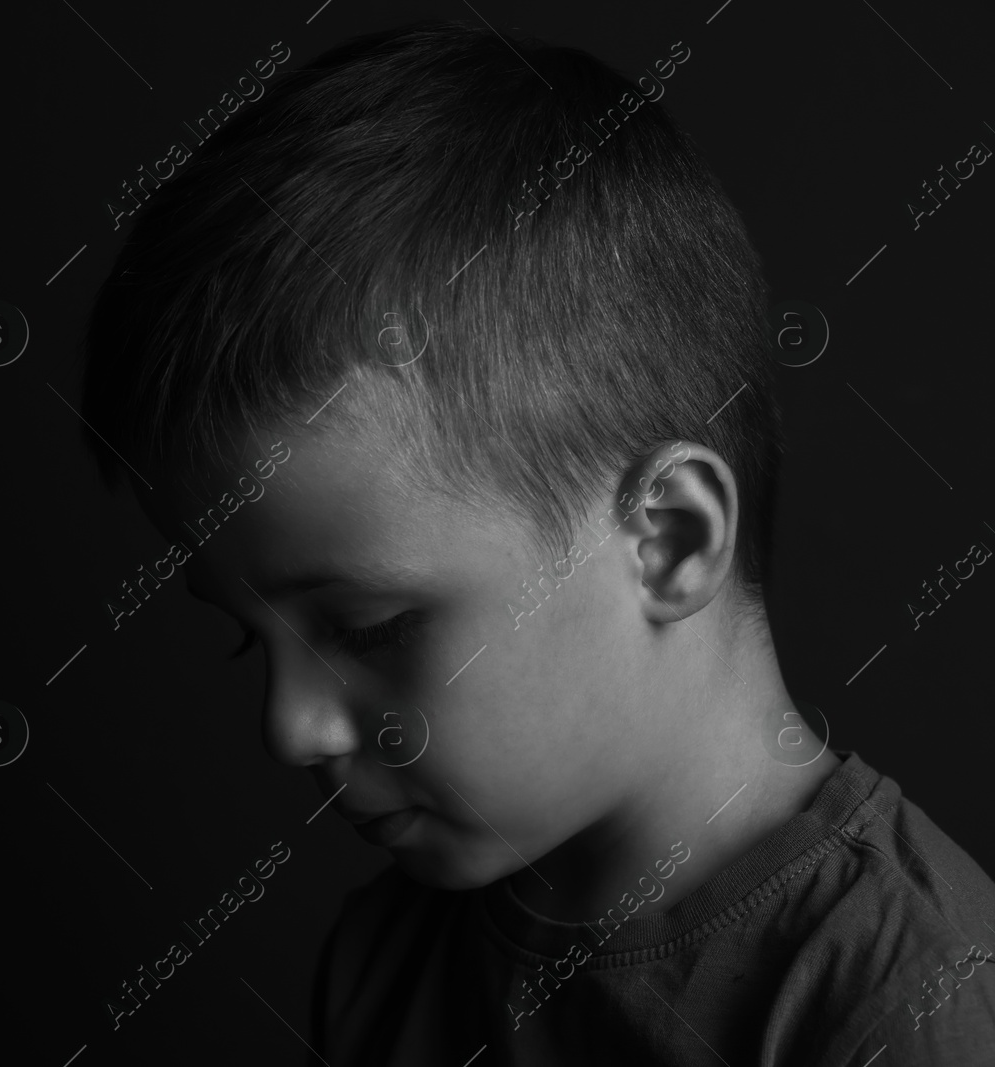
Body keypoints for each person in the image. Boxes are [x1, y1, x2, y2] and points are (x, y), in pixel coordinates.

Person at [74, 20, 995, 1065]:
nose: (291, 726)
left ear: (668, 538)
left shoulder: (913, 1006)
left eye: (367, 626)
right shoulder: (392, 960)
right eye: (252, 637)